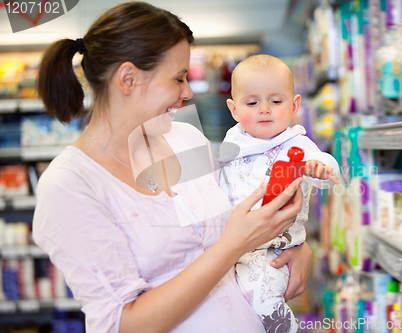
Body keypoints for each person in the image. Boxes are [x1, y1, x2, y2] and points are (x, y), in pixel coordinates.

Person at [32, 2, 313, 333]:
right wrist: (232, 245)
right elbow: (123, 323)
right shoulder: (71, 185)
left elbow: (238, 214)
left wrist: (297, 246)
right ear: (128, 78)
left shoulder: (185, 139)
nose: (188, 92)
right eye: (179, 78)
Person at [219, 55, 340, 333]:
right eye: (252, 103)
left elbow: (327, 167)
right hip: (232, 247)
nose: (264, 109)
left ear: (294, 105)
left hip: (273, 249)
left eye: (275, 101)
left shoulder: (296, 143)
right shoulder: (232, 141)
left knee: (263, 303)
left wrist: (318, 168)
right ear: (234, 109)